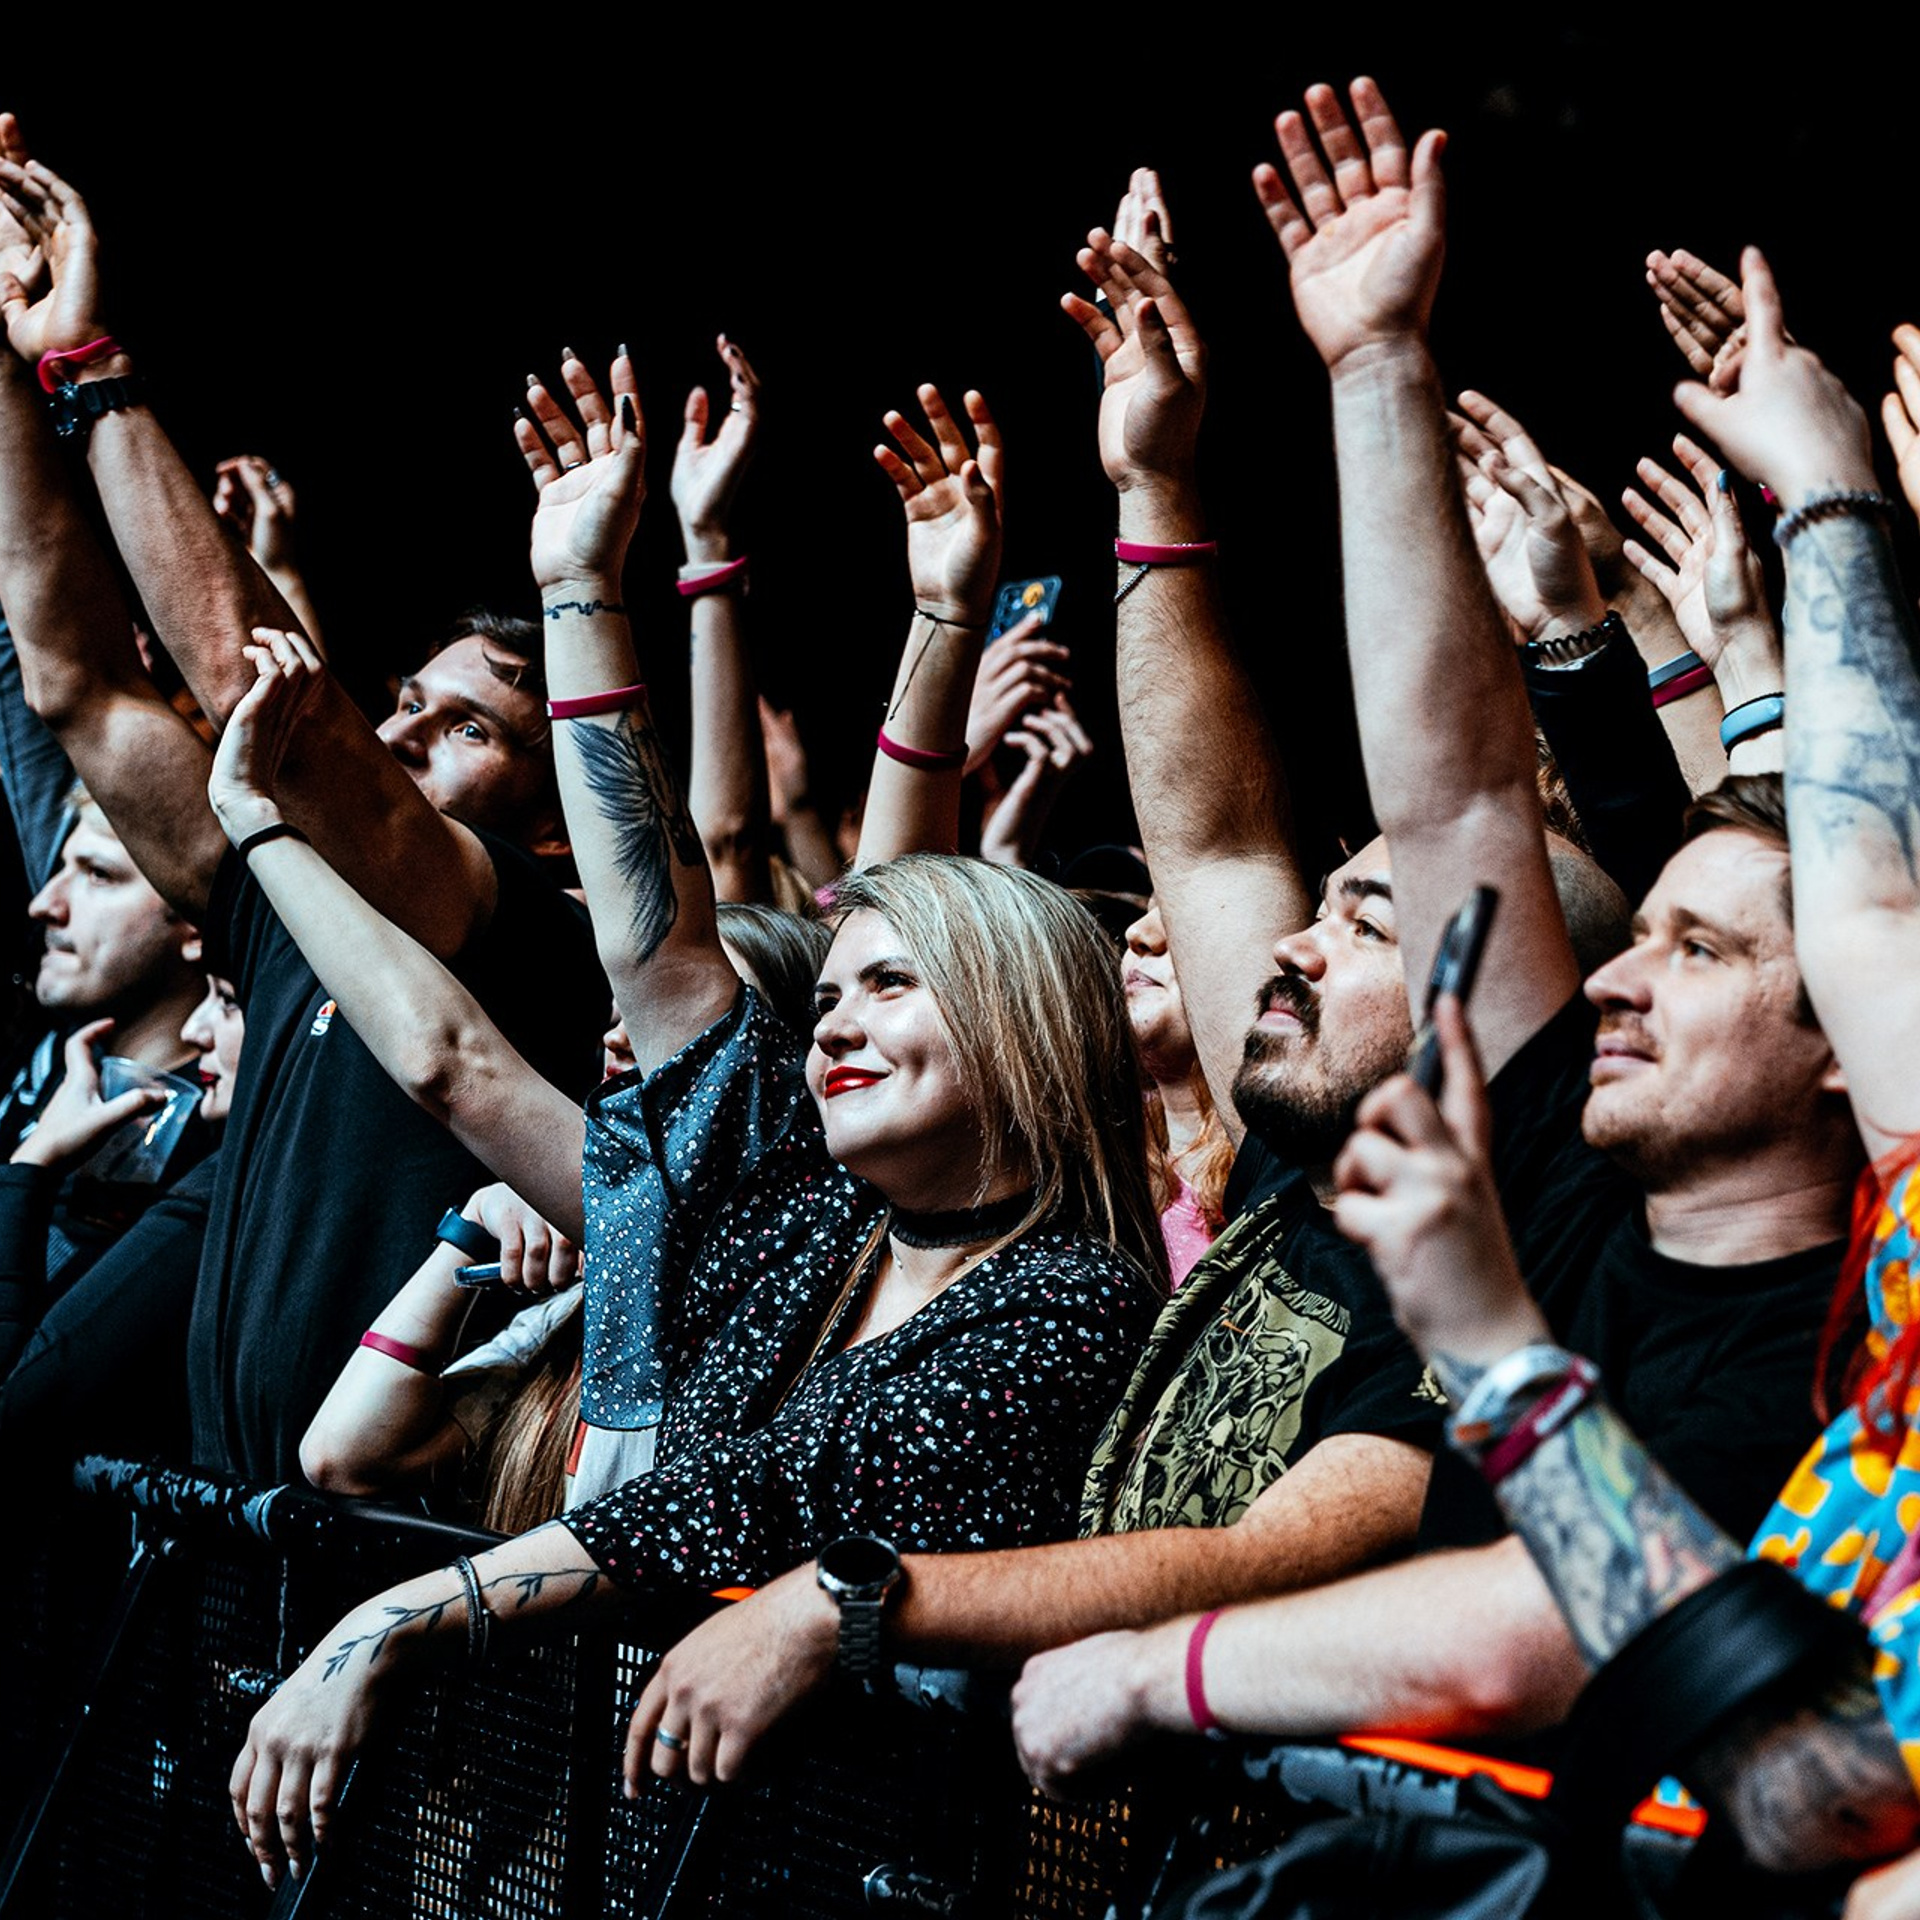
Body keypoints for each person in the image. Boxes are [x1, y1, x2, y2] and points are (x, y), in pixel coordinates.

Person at [1009, 83, 1861, 1807]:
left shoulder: (1837, 1342)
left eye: (1698, 954)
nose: (1617, 975)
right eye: (1650, 938)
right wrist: (1375, 364)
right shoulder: (1564, 1178)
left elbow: (1541, 1626)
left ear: (1853, 1030)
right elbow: (1462, 801)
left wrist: (1150, 1666)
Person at [222, 352, 1164, 1888]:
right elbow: (659, 948)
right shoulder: (807, 1232)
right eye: (833, 994)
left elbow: (745, 1494)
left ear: (1020, 1029)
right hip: (632, 1851)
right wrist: (583, 580)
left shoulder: (1071, 1298)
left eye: (894, 988)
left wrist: (391, 1619)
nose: (836, 1023)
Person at [0, 123, 607, 1478]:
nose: (402, 730)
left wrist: (90, 369)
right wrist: (6, 357)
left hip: (385, 1543)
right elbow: (80, 683)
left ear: (561, 826)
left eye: (469, 728)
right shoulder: (293, 897)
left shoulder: (529, 936)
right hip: (233, 1540)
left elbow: (250, 689)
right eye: (405, 697)